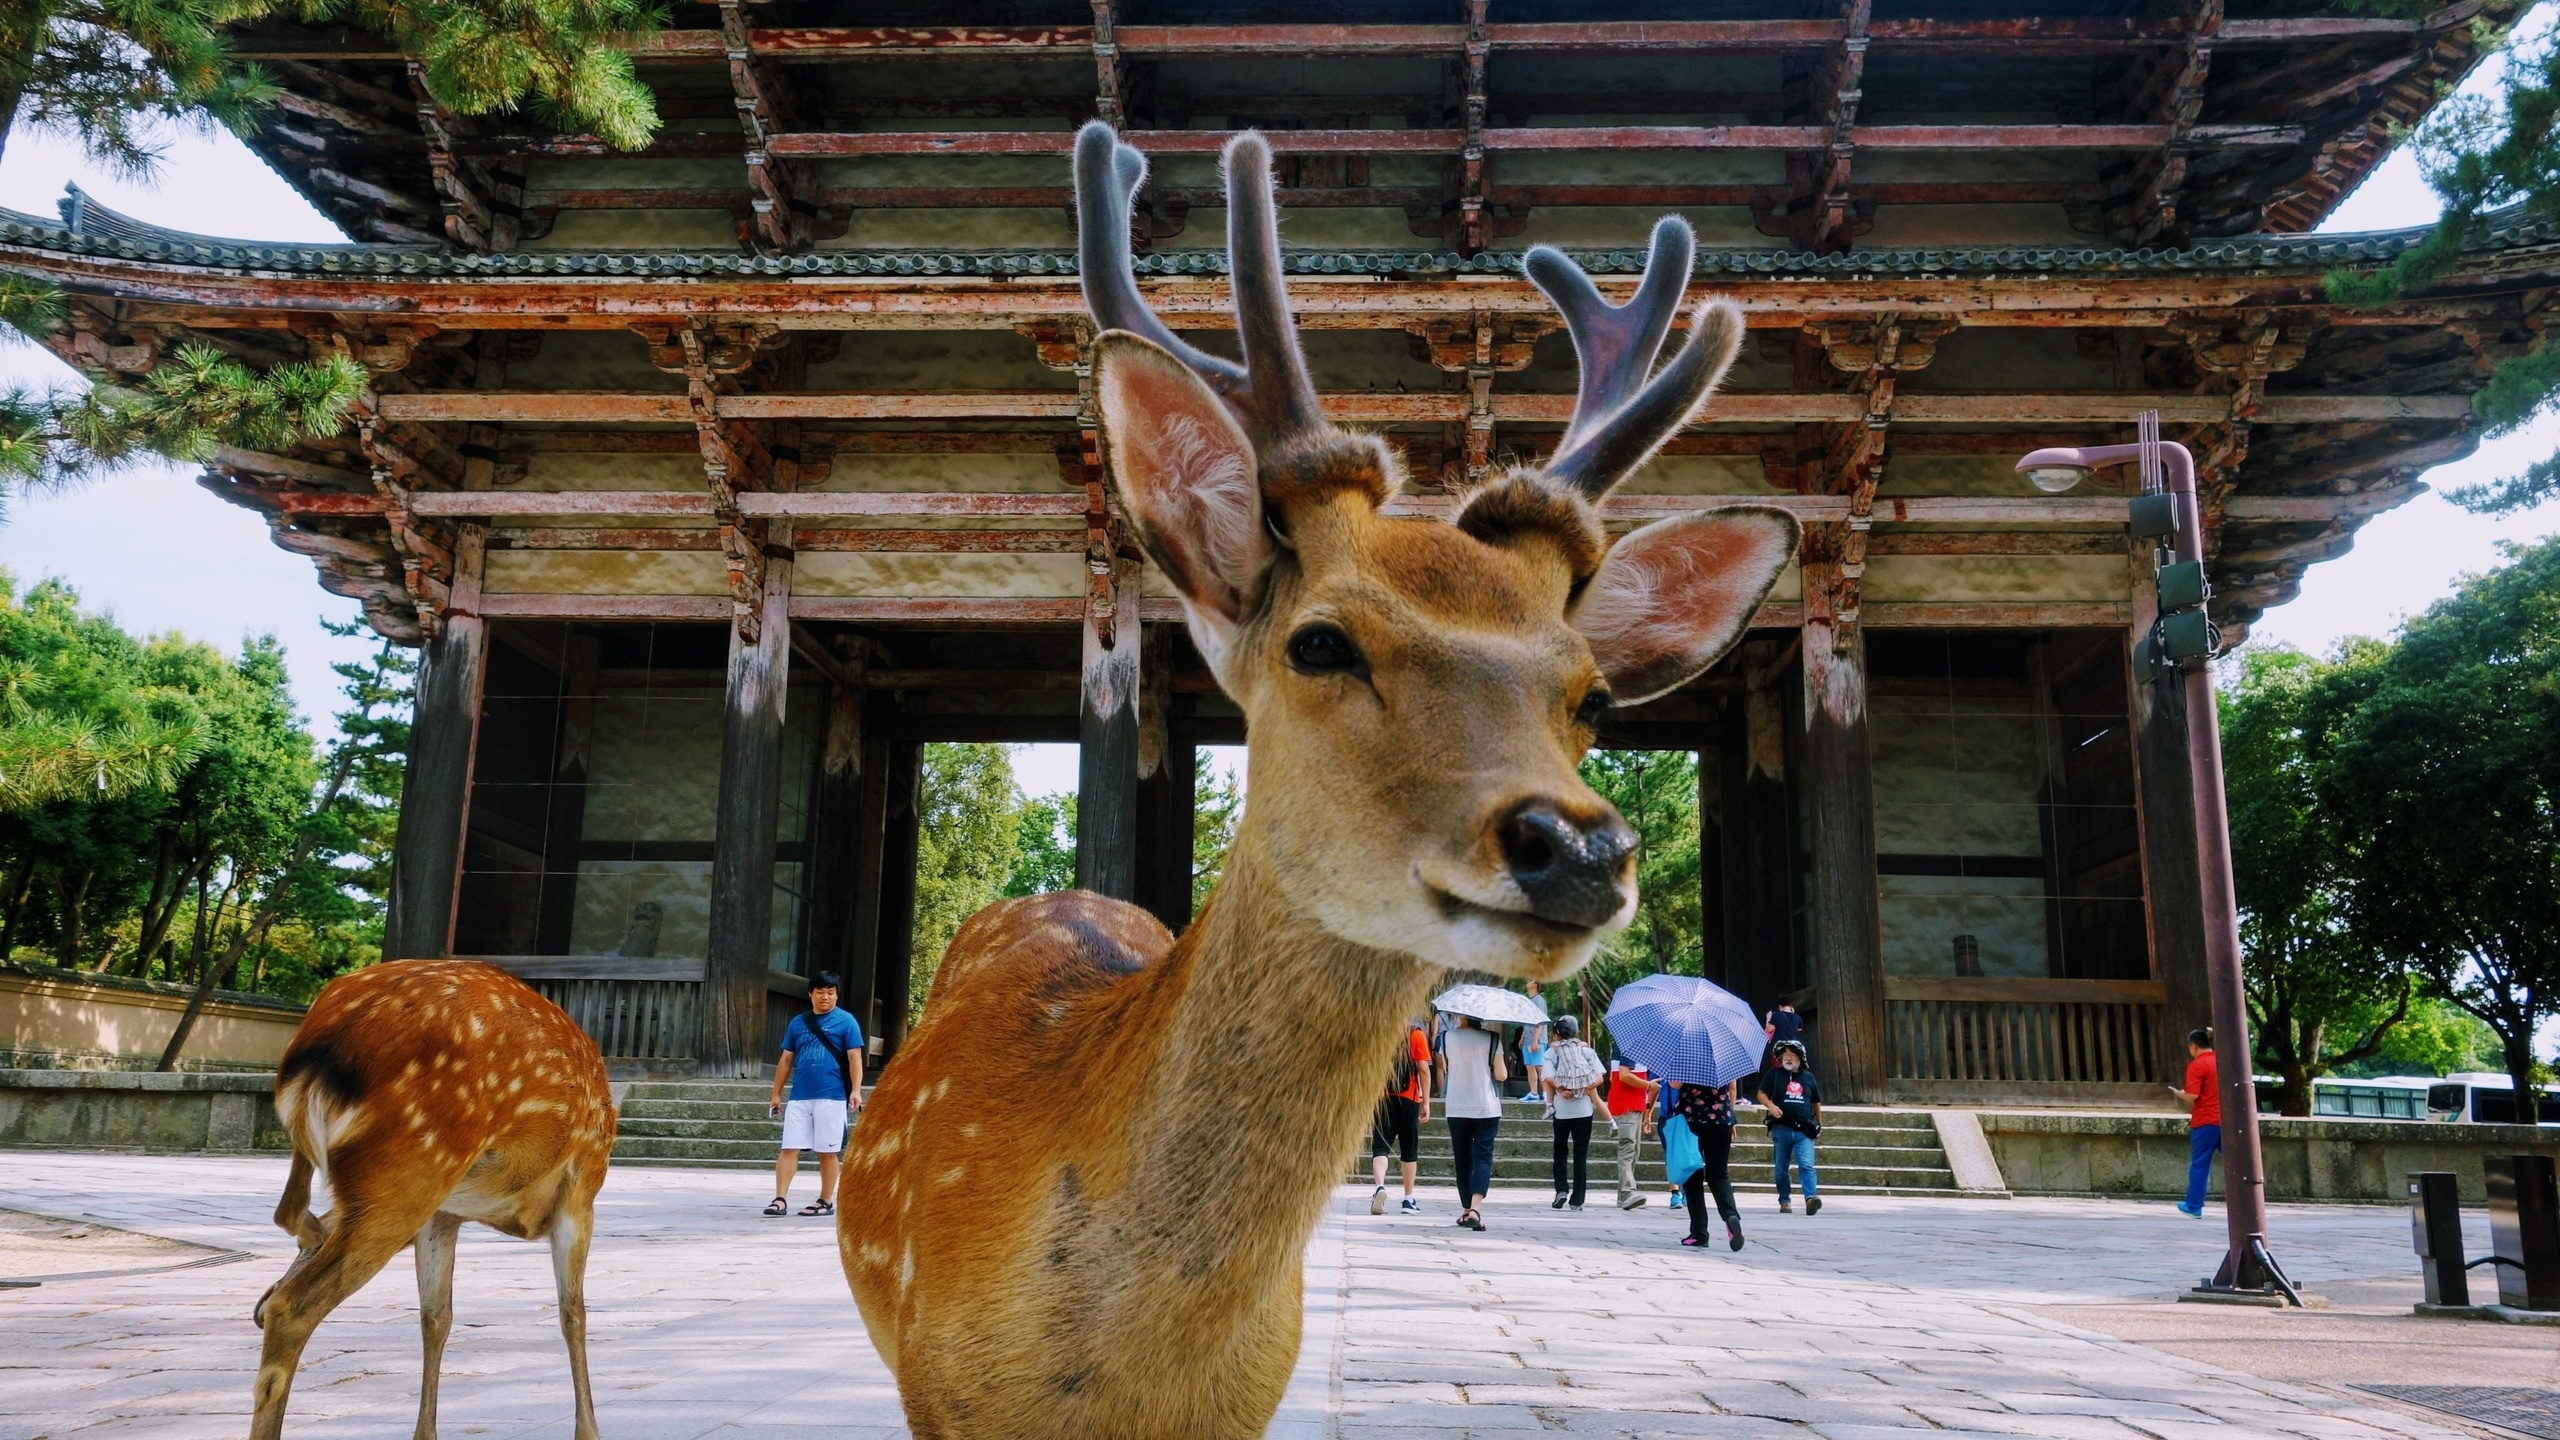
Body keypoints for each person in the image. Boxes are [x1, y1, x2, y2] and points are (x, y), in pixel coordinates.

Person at [766, 971, 864, 1217]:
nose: (825, 997)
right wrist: (776, 1094)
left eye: (830, 992)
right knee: (789, 1147)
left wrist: (855, 1090)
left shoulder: (847, 1021)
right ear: (810, 994)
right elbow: (786, 1059)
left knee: (827, 1151)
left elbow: (855, 1058)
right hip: (800, 1096)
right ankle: (780, 1199)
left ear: (837, 995)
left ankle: (825, 1200)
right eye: (820, 992)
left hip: (832, 1096)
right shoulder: (798, 1023)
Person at [1441, 1012, 1507, 1231]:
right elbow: (1501, 1075)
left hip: (1457, 1105)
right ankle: (1476, 1209)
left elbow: (1446, 1067)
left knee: (1462, 1159)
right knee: (1482, 1158)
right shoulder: (1492, 1038)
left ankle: (1465, 1210)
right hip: (1485, 1106)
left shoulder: (1445, 1037)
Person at [1370, 1017, 1434, 1215]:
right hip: (1409, 1098)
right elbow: (1423, 1070)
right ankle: (1408, 1199)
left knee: (1381, 1147)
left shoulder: (1380, 1033)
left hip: (1383, 1098)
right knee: (1409, 1149)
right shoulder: (1416, 1034)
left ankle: (1380, 1186)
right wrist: (1426, 1102)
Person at [1542, 1015, 1606, 1210]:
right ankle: (1577, 1200)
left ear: (1556, 1034)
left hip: (1562, 1109)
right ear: (1576, 1032)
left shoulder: (1552, 1052)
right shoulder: (1586, 1051)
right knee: (1580, 1154)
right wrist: (1584, 1089)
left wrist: (1563, 1089)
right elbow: (1600, 1078)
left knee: (1560, 1151)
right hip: (1584, 1110)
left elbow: (1548, 1078)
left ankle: (1561, 1190)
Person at [1671, 1079, 1744, 1250]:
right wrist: (1729, 1114)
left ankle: (1699, 1233)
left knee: (1692, 1176)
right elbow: (1732, 1087)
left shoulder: (1687, 1054)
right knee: (1719, 1174)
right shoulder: (1725, 1055)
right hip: (1722, 1118)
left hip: (1691, 1119)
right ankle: (1730, 1215)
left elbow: (1675, 1084)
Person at [1753, 1039, 1822, 1215]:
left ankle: (1810, 1198)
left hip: (1804, 1129)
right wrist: (1771, 1106)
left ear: (1800, 1058)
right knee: (1781, 1168)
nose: (1788, 1058)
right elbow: (1761, 1094)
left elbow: (1815, 1102)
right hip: (1781, 1128)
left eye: (1792, 1055)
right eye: (1785, 1055)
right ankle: (1784, 1200)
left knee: (1806, 1165)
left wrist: (1820, 1124)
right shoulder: (1774, 1075)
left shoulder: (1808, 1077)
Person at [2170, 1027, 2220, 1218]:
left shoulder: (2197, 1065)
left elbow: (2193, 1095)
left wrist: (2180, 1095)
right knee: (2237, 1163)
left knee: (2200, 1164)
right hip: (2224, 1121)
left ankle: (2194, 1205)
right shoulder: (2220, 1061)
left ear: (2193, 1046)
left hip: (2205, 1120)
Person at [1602, 1052, 1659, 1210]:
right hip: (1626, 1104)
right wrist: (1648, 1085)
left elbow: (1614, 1078)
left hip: (1633, 1104)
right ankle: (1627, 1192)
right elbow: (1624, 1075)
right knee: (1628, 1148)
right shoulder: (1630, 1049)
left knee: (1634, 1151)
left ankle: (1624, 1196)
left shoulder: (1627, 1046)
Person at [1520, 981, 1550, 1116]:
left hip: (1537, 1038)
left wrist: (1535, 1039)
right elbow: (1527, 1021)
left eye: (1531, 980)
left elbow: (1541, 1021)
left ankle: (1545, 1092)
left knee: (1539, 1066)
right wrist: (1523, 1036)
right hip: (1528, 1038)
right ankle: (1533, 1092)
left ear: (1536, 984)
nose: (1528, 981)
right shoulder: (1528, 1000)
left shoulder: (1539, 1000)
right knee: (1529, 1066)